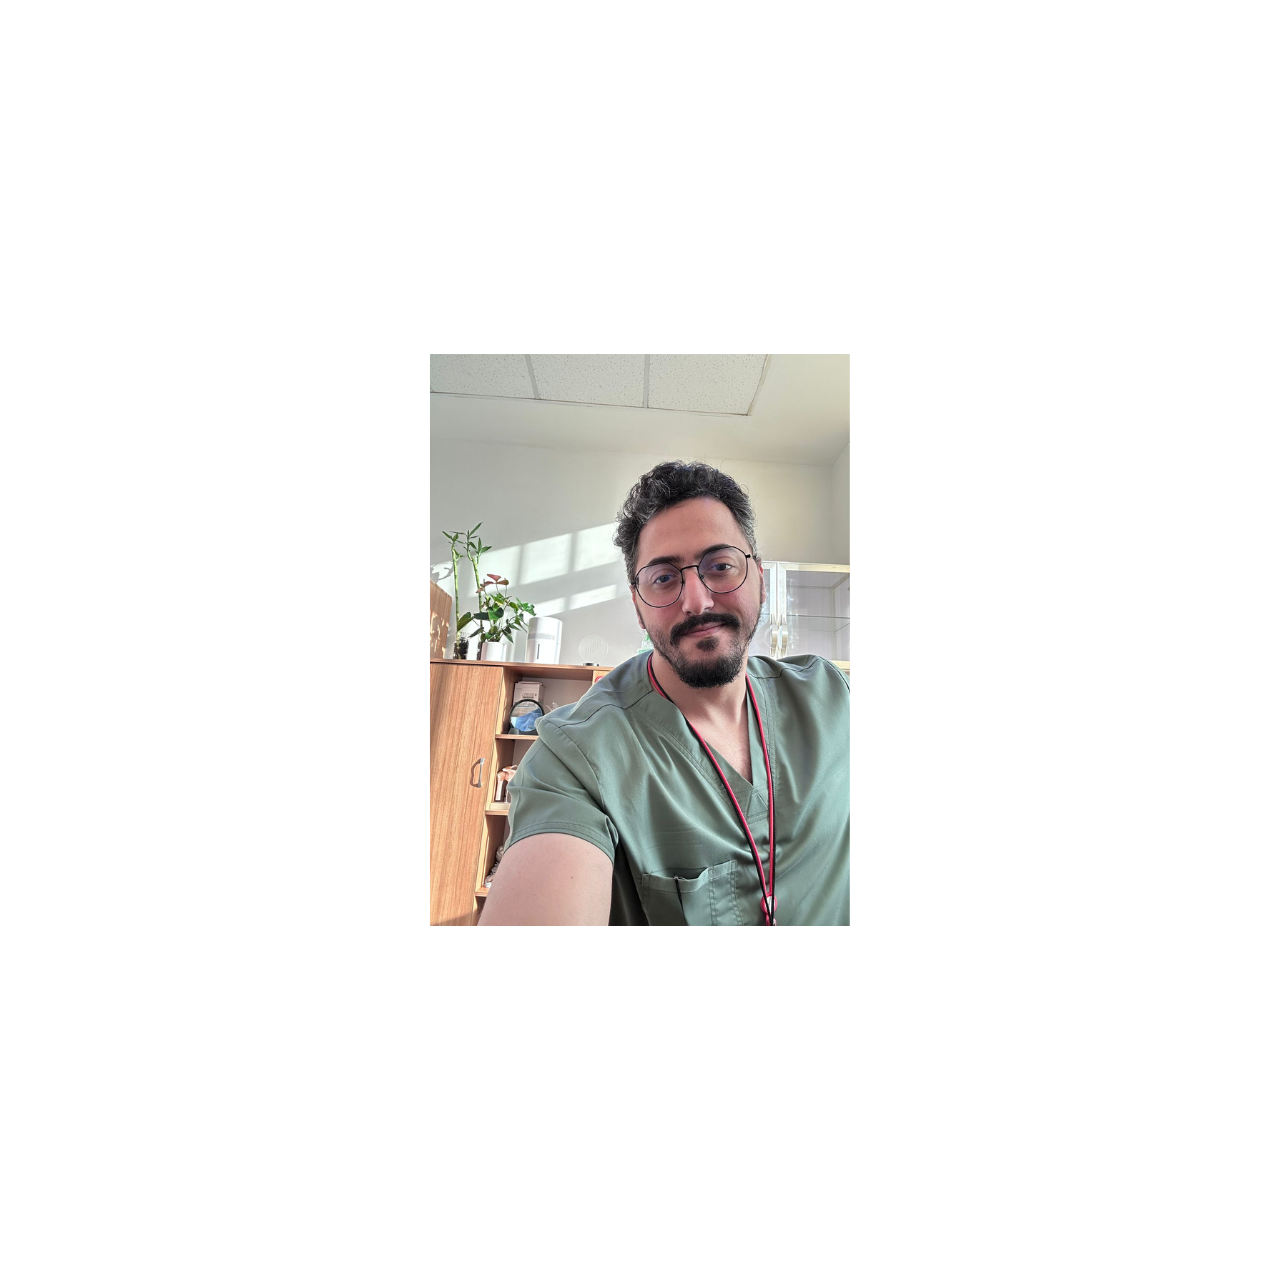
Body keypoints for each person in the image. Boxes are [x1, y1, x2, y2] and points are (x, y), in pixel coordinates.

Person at [478, 460, 850, 926]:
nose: (697, 601)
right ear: (638, 606)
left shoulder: (833, 699)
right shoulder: (574, 758)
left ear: (759, 578)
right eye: (664, 578)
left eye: (721, 566)